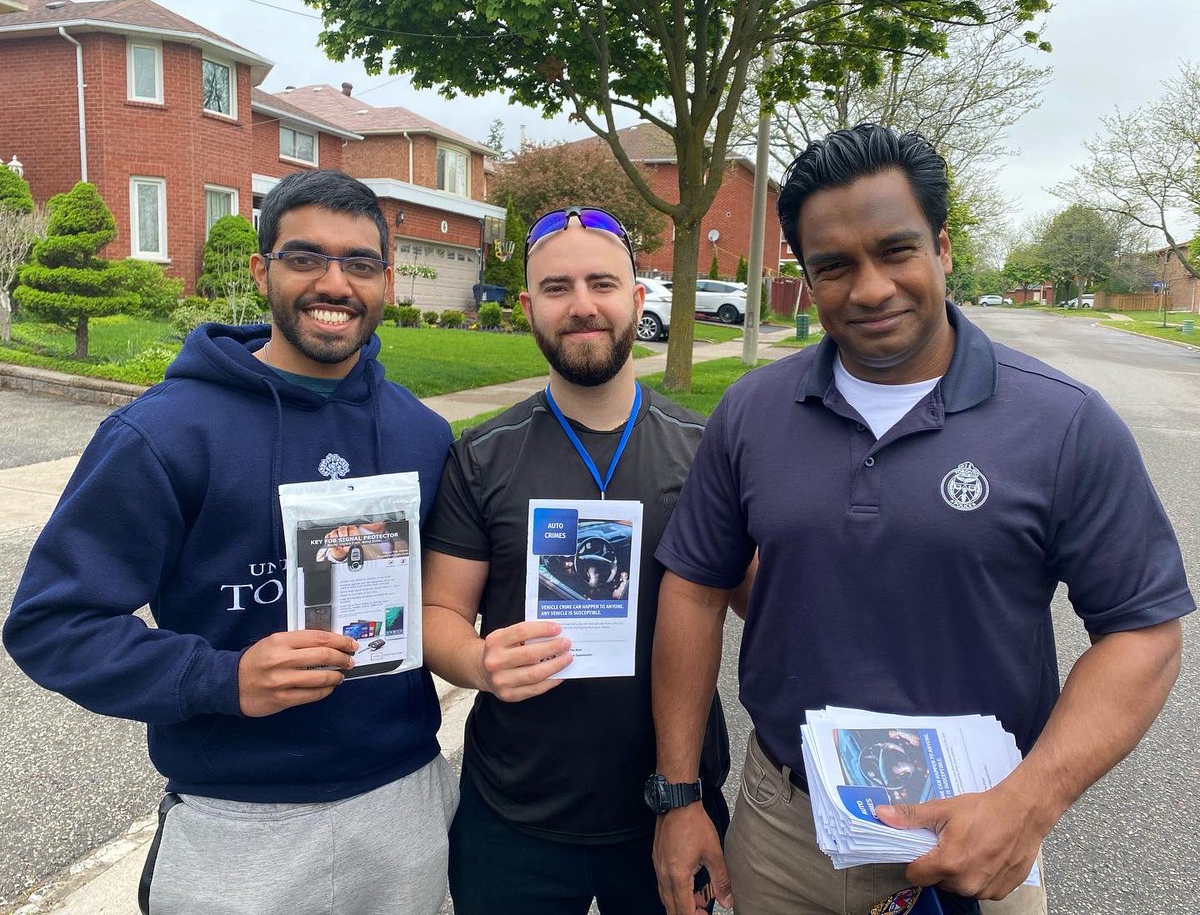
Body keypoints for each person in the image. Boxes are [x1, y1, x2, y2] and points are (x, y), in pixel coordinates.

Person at [649, 124, 1193, 915]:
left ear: (941, 246)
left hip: (977, 836)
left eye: (896, 251)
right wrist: (679, 796)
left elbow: (1145, 632)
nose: (869, 288)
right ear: (805, 275)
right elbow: (695, 589)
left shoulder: (1063, 422)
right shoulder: (751, 413)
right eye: (834, 265)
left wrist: (1029, 806)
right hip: (785, 830)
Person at [3, 170, 457, 914]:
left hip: (402, 801)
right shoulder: (162, 434)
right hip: (237, 822)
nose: (334, 283)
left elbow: (448, 601)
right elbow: (52, 625)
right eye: (306, 257)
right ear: (262, 269)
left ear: (387, 282)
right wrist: (222, 679)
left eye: (360, 263)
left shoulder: (422, 435)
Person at [421, 207, 732, 914]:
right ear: (530, 308)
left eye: (602, 283)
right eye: (558, 288)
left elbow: (758, 599)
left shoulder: (707, 450)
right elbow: (439, 611)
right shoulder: (482, 455)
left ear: (637, 298)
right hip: (516, 810)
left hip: (671, 800)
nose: (583, 306)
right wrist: (478, 664)